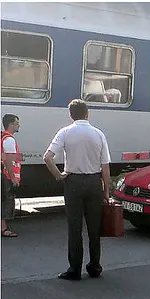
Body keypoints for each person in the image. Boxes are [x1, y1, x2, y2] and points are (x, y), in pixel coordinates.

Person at [43, 99, 111, 281]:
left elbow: (47, 157)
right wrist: (106, 191)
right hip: (94, 183)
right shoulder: (98, 134)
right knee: (94, 228)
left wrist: (59, 175)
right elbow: (105, 166)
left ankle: (74, 269)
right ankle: (95, 267)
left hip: (72, 182)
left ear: (70, 115)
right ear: (87, 113)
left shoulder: (65, 132)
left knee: (75, 228)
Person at [1, 114, 21, 237]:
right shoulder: (9, 140)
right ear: (11, 124)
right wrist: (13, 178)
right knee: (6, 202)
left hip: (4, 174)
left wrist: (19, 157)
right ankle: (3, 230)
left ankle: (3, 228)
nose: (19, 125)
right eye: (17, 123)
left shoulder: (3, 137)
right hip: (7, 176)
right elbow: (8, 160)